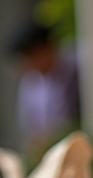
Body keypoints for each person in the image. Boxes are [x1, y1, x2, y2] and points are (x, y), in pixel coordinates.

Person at [8, 18, 80, 154]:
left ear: (45, 49)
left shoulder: (79, 67)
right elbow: (31, 129)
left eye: (30, 58)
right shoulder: (30, 84)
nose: (27, 66)